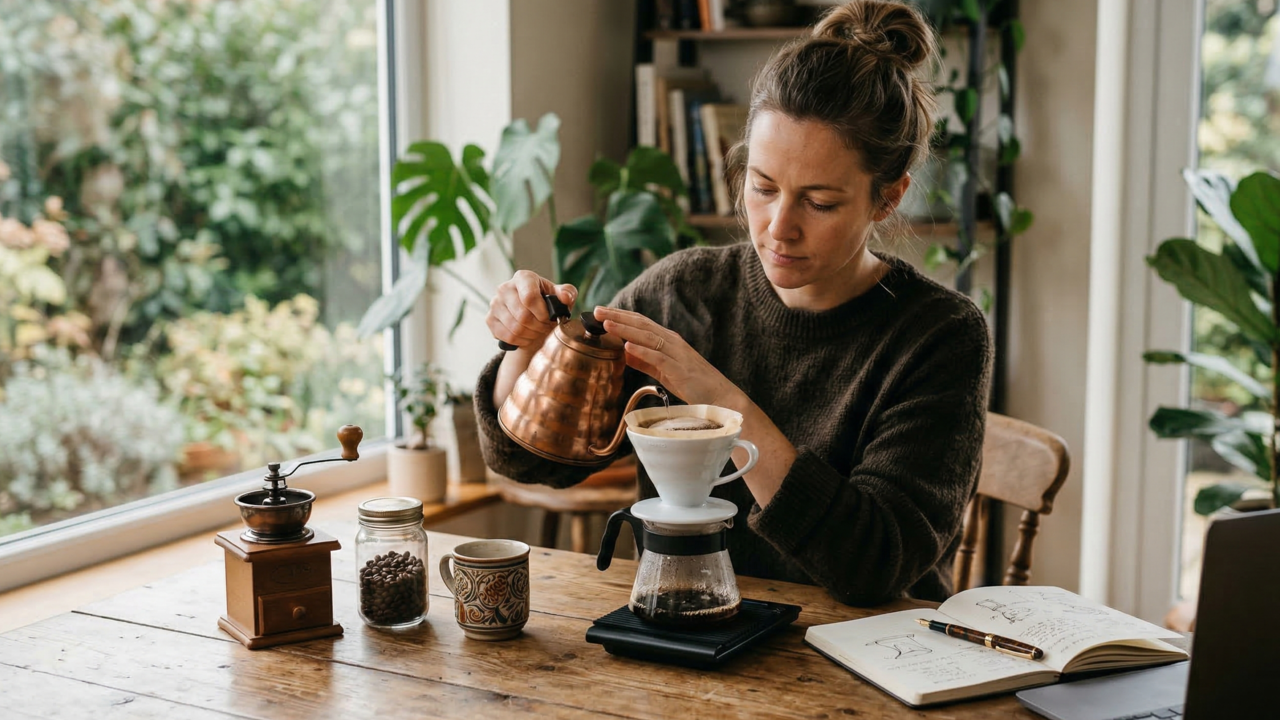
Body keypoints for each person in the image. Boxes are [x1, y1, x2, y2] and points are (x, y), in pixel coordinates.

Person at [474, 0, 992, 606]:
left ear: (887, 198)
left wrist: (717, 399)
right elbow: (532, 460)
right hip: (688, 631)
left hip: (868, 661)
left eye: (820, 202)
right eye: (762, 186)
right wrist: (526, 348)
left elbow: (873, 564)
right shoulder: (680, 293)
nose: (778, 227)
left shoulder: (939, 336)